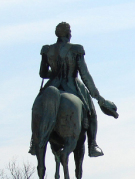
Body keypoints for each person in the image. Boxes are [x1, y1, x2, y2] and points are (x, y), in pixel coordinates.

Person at [29, 21, 113, 158]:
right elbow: (85, 75)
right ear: (68, 34)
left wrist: (55, 73)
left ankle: (34, 141)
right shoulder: (76, 49)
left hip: (52, 84)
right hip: (72, 84)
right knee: (92, 113)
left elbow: (42, 73)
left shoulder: (47, 49)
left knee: (36, 107)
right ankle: (92, 146)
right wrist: (97, 97)